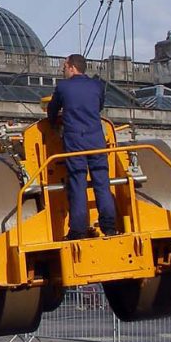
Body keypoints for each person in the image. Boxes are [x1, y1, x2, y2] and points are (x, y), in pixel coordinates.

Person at [47, 54, 117, 240]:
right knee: (102, 182)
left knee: (77, 183)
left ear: (71, 67)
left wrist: (54, 122)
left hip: (75, 142)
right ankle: (109, 226)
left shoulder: (63, 87)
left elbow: (52, 110)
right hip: (96, 141)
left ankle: (78, 230)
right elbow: (99, 107)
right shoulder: (97, 85)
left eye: (64, 67)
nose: (62, 70)